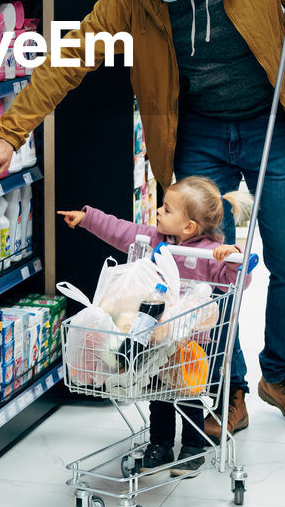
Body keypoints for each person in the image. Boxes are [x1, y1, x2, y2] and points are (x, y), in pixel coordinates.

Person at [0, 0, 285, 432]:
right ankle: (225, 388)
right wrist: (10, 133)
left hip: (272, 124)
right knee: (202, 274)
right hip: (197, 130)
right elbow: (71, 55)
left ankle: (280, 376)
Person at [59, 176, 251, 471]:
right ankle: (160, 443)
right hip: (154, 336)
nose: (158, 212)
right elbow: (120, 230)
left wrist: (234, 256)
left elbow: (236, 280)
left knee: (189, 395)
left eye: (166, 209)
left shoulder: (212, 254)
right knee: (157, 393)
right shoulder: (155, 240)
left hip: (192, 343)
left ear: (188, 227)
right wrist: (88, 218)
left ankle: (193, 446)